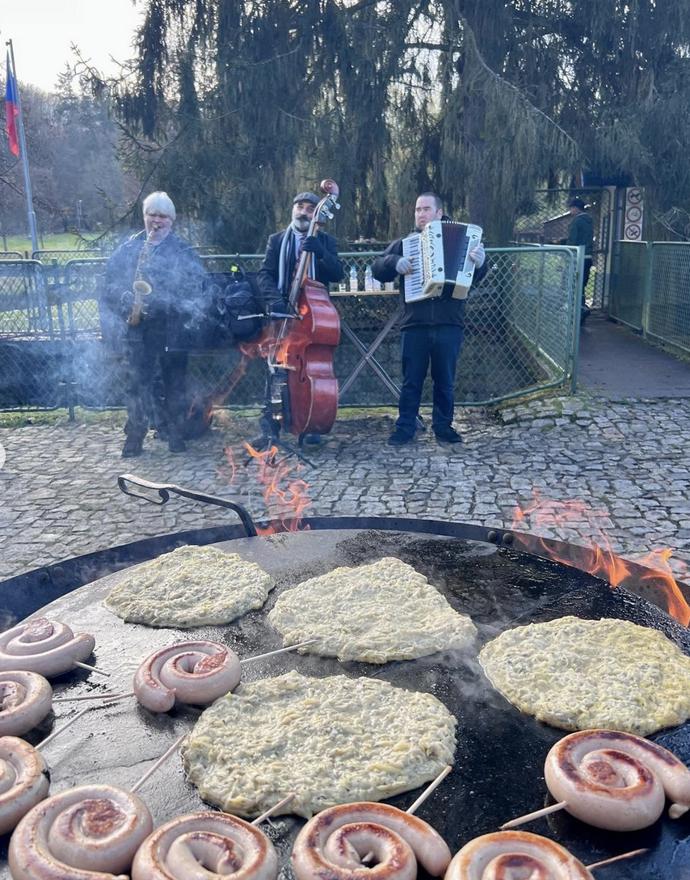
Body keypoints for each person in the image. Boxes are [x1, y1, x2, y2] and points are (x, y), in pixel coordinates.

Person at [372, 192, 487, 446]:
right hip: (415, 324)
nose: (420, 214)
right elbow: (377, 268)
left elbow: (472, 280)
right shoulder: (405, 244)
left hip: (449, 322)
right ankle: (405, 427)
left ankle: (443, 427)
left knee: (445, 380)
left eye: (425, 209)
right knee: (411, 380)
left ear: (438, 212)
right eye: (417, 210)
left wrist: (481, 264)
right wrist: (395, 261)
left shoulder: (467, 238)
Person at [100, 191, 206, 457]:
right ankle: (135, 436)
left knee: (175, 384)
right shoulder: (128, 249)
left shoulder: (183, 251)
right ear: (144, 217)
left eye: (162, 216)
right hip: (138, 329)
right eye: (152, 215)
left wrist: (165, 300)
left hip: (173, 329)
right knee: (137, 384)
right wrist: (127, 299)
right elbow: (108, 286)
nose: (156, 221)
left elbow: (196, 286)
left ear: (172, 220)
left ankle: (175, 435)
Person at [256, 191, 344, 444]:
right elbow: (265, 275)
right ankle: (269, 429)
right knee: (275, 371)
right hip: (282, 313)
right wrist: (276, 301)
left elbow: (338, 273)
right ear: (293, 210)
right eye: (300, 207)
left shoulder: (325, 240)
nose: (303, 212)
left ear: (317, 214)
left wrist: (321, 253)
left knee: (308, 371)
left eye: (309, 209)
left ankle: (309, 424)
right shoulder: (277, 240)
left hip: (311, 320)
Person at [565, 196, 594, 324]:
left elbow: (573, 240)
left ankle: (577, 311)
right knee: (581, 285)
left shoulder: (576, 222)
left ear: (575, 209)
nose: (570, 212)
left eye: (571, 209)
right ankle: (581, 308)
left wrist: (567, 252)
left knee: (573, 284)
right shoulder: (589, 221)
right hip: (587, 257)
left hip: (577, 257)